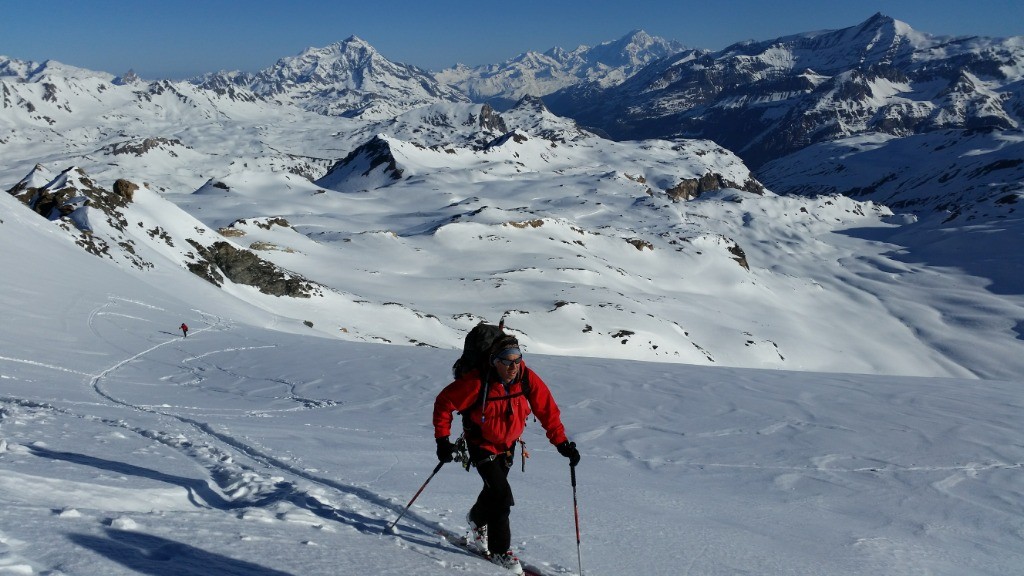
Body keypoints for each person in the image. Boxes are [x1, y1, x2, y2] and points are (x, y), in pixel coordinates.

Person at [433, 334, 581, 574]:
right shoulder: (476, 383)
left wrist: (562, 443)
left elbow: (547, 410)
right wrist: (442, 440)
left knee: (494, 490)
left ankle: (476, 519)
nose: (514, 366)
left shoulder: (525, 377)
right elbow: (444, 403)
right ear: (494, 361)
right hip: (481, 444)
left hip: (509, 445)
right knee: (501, 497)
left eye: (518, 359)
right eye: (507, 360)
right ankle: (500, 551)